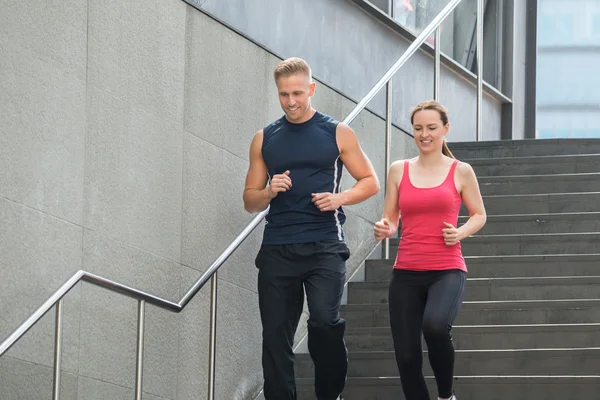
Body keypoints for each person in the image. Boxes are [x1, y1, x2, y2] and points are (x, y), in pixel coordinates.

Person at [243, 57, 380, 400]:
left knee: (323, 321)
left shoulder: (336, 132)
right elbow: (249, 200)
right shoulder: (265, 138)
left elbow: (370, 181)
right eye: (284, 94)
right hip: (278, 247)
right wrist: (269, 190)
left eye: (298, 93)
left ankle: (330, 394)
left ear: (312, 89)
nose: (291, 101)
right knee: (275, 337)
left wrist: (340, 198)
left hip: (324, 245)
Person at [373, 100, 486, 400]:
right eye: (418, 128)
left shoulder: (461, 171)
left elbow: (480, 214)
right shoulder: (398, 169)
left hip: (447, 269)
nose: (425, 134)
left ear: (445, 130)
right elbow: (392, 217)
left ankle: (446, 395)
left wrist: (460, 232)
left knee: (435, 326)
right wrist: (386, 228)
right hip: (406, 271)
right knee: (407, 356)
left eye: (432, 128)